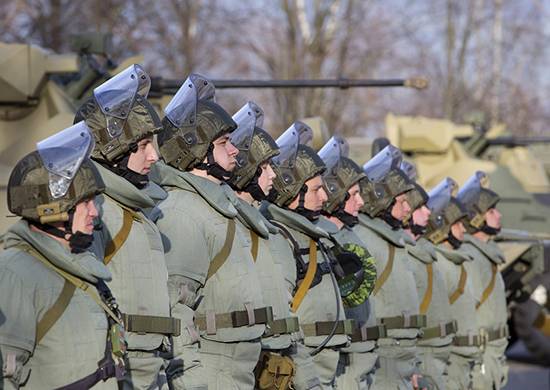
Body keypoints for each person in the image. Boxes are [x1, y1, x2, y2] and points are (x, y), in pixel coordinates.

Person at [153, 75, 270, 389]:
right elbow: (174, 311)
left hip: (234, 370)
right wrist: (192, 382)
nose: (235, 151)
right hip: (209, 372)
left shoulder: (216, 207)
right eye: (223, 143)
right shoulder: (182, 213)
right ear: (195, 149)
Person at [0, 122, 124, 389]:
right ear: (53, 207)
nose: (94, 212)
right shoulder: (15, 273)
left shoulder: (80, 267)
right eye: (85, 202)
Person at [75, 64, 174, 389]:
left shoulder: (136, 208)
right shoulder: (96, 210)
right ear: (113, 147)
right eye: (144, 145)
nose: (155, 156)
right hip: (118, 372)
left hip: (150, 368)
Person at [226, 102, 320, 390]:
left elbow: (287, 320)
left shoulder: (268, 232)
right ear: (246, 168)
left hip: (275, 369)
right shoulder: (227, 225)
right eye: (264, 167)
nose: (273, 176)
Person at [260, 123, 352, 389]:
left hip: (323, 366)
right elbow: (280, 323)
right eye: (315, 190)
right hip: (301, 370)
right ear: (291, 189)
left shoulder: (309, 234)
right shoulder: (280, 237)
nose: (325, 196)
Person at [353, 145, 424, 390]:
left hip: (400, 357)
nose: (408, 209)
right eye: (402, 201)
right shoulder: (364, 238)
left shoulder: (392, 239)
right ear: (383, 199)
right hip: (381, 358)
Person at [316, 136, 381, 389]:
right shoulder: (319, 240)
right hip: (334, 361)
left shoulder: (351, 237)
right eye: (353, 194)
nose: (361, 202)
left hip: (357, 358)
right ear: (335, 193)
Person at [423, 178, 482, 390]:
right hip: (447, 362)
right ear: (442, 224)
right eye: (457, 224)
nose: (463, 230)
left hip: (461, 361)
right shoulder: (438, 265)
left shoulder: (454, 263)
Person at [401, 162, 456, 390]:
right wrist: (413, 365)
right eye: (420, 207)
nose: (429, 212)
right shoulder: (403, 255)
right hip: (419, 358)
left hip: (436, 353)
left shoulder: (424, 252)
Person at [457, 171, 509, 390]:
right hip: (479, 357)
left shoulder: (487, 254)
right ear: (476, 217)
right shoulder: (470, 257)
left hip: (493, 354)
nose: (498, 215)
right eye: (491, 211)